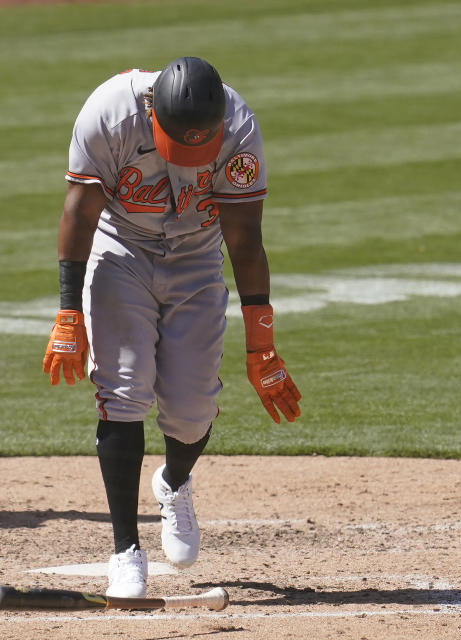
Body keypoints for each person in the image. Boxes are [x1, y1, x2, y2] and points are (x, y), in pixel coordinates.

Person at [41, 56, 302, 597]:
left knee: (192, 408)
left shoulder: (238, 127)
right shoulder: (109, 113)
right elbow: (80, 213)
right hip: (122, 252)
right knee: (123, 388)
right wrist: (68, 311)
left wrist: (263, 346)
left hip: (196, 258)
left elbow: (246, 240)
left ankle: (175, 482)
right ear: (151, 113)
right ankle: (125, 553)